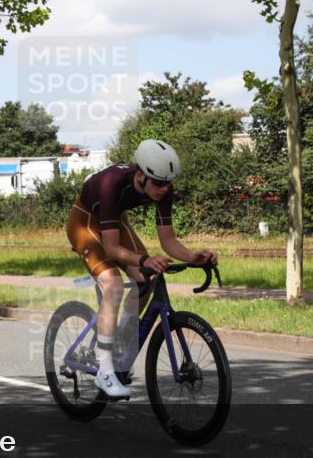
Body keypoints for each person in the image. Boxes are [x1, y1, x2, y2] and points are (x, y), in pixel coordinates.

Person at [65, 140, 216, 398]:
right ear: (140, 176)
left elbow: (167, 241)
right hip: (85, 222)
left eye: (168, 183)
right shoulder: (112, 184)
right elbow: (112, 250)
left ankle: (120, 338)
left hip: (115, 221)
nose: (164, 189)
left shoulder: (163, 187)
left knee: (149, 278)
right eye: (158, 183)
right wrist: (143, 259)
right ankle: (104, 368)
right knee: (112, 285)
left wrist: (193, 256)